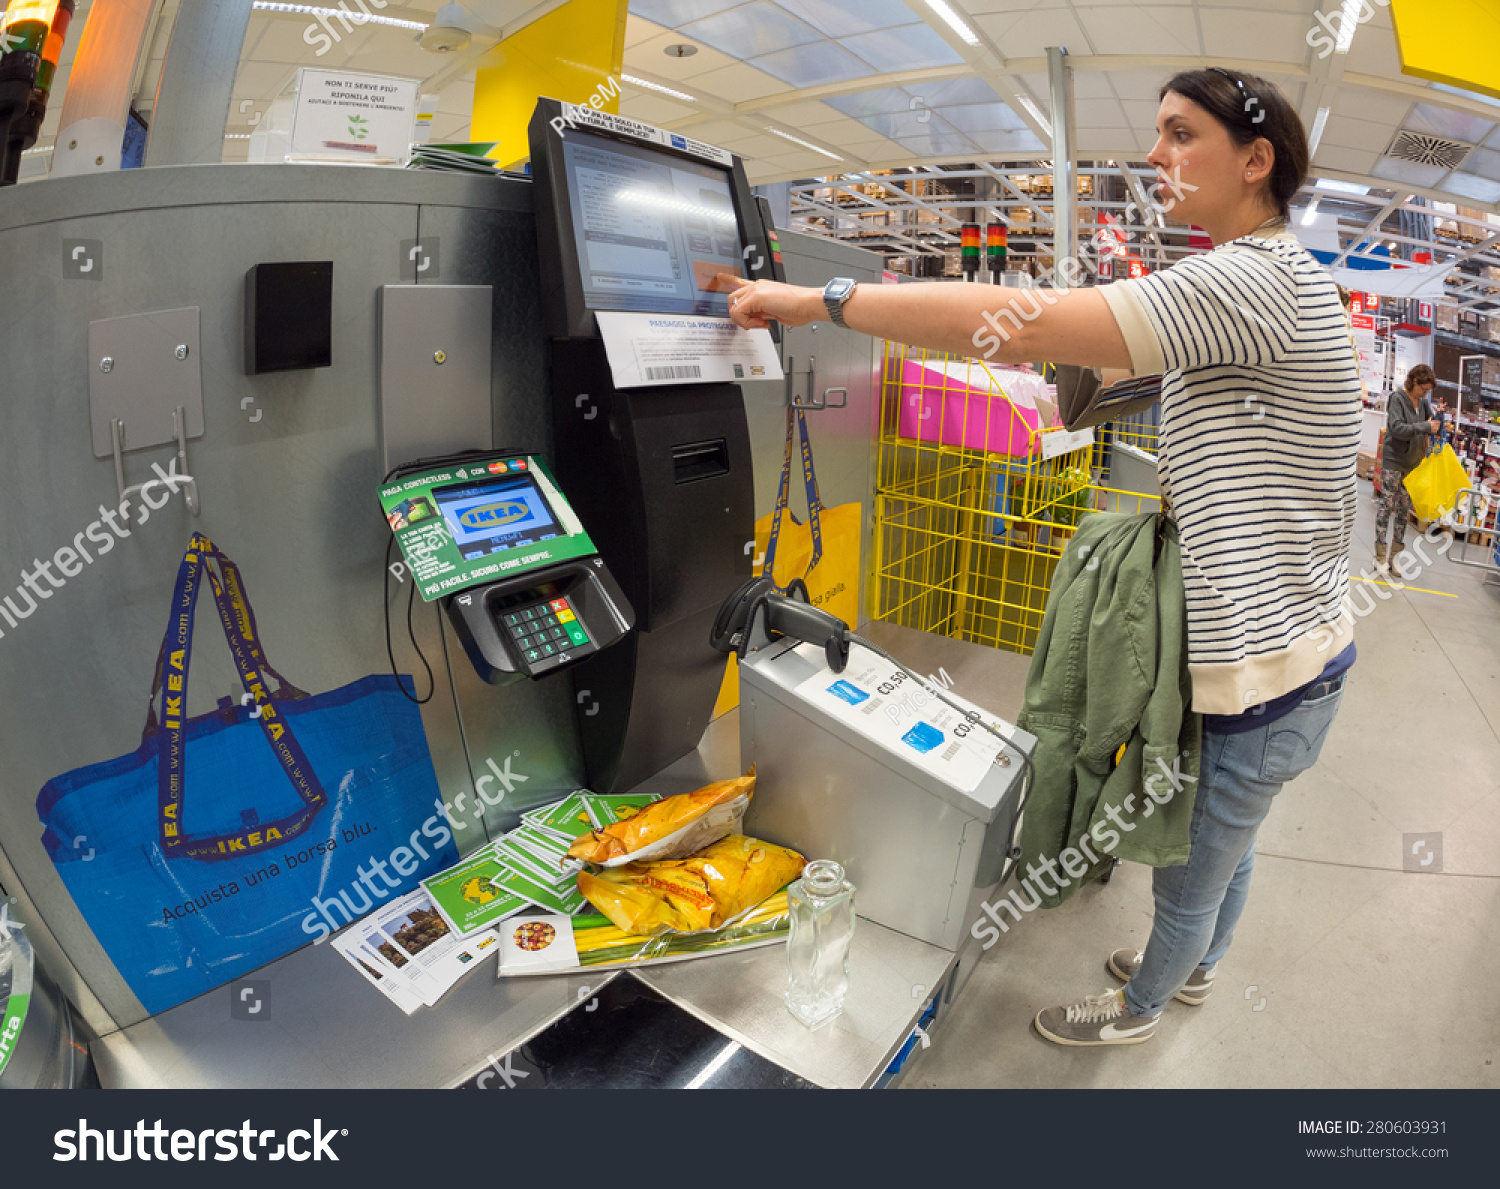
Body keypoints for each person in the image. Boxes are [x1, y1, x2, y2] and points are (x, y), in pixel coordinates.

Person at [725, 67, 1360, 1047]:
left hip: (1267, 674)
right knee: (1228, 849)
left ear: (1256, 159)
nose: (1156, 155)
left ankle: (1144, 1004)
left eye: (1180, 134)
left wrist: (822, 300)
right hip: (1296, 655)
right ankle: (1193, 968)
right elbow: (1102, 384)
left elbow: (1021, 328)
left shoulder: (1252, 277)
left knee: (1193, 860)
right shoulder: (1266, 281)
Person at [1376, 364, 1440, 572]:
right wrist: (1424, 427)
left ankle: (1395, 558)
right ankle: (1379, 556)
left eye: (1428, 391)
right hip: (1394, 461)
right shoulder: (1397, 399)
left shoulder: (1422, 404)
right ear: (1414, 382)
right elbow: (1397, 428)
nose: (1425, 393)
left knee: (1403, 512)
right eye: (1424, 389)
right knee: (1386, 508)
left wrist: (1439, 419)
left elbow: (1430, 422)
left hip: (1413, 465)